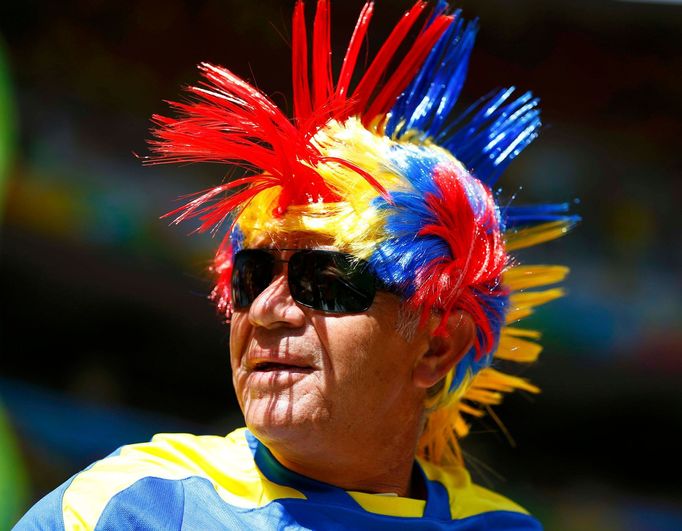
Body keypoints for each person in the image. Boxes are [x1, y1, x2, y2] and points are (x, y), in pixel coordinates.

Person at [15, 1, 577, 529]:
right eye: (252, 276)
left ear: (436, 346)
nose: (265, 311)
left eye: (326, 281)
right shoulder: (132, 508)